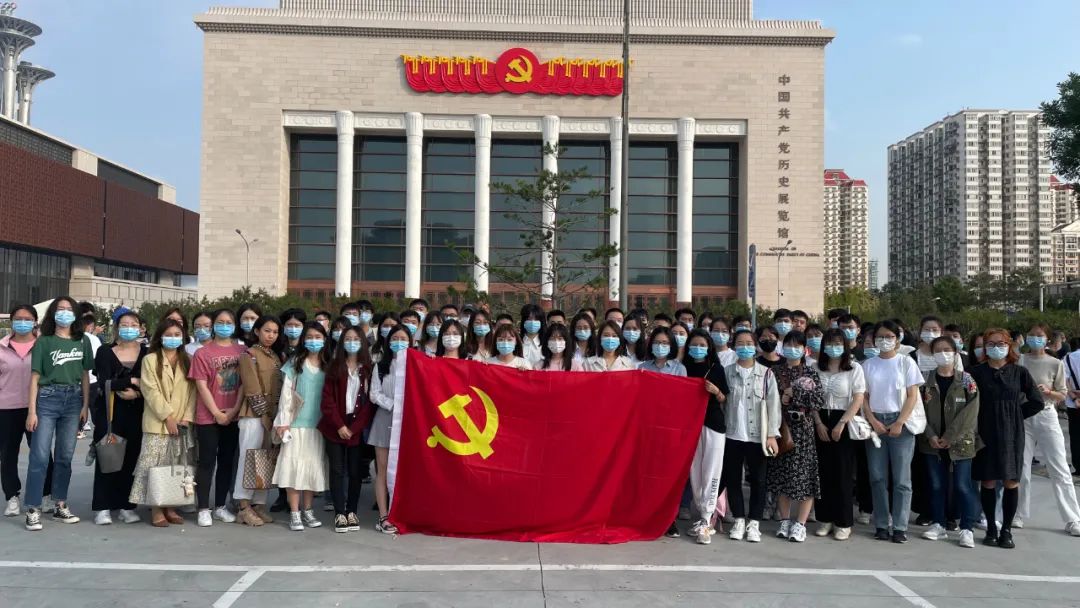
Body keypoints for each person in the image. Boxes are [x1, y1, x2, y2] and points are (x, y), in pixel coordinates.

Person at [24, 296, 95, 530]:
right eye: (60, 309)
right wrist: (32, 411)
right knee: (40, 456)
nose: (64, 313)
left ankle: (60, 504)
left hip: (73, 400)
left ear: (75, 314)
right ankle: (33, 508)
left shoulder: (82, 341)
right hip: (47, 398)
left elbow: (85, 375)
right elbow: (35, 378)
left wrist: (85, 405)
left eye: (68, 309)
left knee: (65, 456)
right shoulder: (44, 342)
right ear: (53, 313)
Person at [970, 328, 1044, 549]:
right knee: (988, 480)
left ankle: (1007, 530)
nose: (996, 348)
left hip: (1012, 433)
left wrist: (1017, 414)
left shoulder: (1019, 372)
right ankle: (991, 528)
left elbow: (1037, 401)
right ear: (985, 347)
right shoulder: (975, 372)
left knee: (1011, 480)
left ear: (1009, 345)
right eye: (991, 344)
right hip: (984, 430)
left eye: (1001, 343)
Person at [129, 319, 196, 527]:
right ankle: (157, 508)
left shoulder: (188, 360)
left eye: (177, 334)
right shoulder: (150, 360)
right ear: (160, 336)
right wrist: (168, 417)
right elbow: (150, 390)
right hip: (157, 422)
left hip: (182, 422)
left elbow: (193, 392)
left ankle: (171, 506)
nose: (173, 338)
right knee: (154, 465)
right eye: (168, 334)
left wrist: (186, 417)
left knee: (177, 464)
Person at [861, 320, 923, 543]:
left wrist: (899, 422)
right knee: (877, 477)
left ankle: (899, 526)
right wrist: (872, 420)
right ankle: (881, 524)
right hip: (875, 423)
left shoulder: (906, 363)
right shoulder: (867, 365)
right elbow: (863, 397)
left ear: (898, 339)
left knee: (902, 480)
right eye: (880, 337)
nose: (884, 341)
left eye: (889, 337)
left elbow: (913, 396)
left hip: (901, 424)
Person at [918, 336, 981, 549]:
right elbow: (918, 410)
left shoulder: (966, 380)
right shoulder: (925, 381)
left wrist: (950, 436)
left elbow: (971, 412)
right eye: (938, 350)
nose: (943, 354)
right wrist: (930, 435)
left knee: (963, 486)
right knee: (936, 485)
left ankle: (967, 528)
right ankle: (938, 523)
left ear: (955, 353)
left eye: (947, 350)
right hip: (932, 443)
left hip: (961, 442)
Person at [1017, 324, 1080, 536]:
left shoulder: (1055, 363)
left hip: (1046, 413)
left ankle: (1072, 518)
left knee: (1059, 467)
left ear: (1047, 339)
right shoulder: (1019, 360)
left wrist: (1049, 392)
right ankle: (1017, 513)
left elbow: (1063, 393)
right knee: (1021, 467)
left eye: (1039, 335)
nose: (1035, 338)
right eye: (1031, 335)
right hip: (1023, 415)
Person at [188, 308, 247, 527]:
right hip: (208, 417)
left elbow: (244, 383)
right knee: (206, 462)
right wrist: (216, 413)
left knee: (226, 462)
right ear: (213, 325)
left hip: (233, 415)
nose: (224, 326)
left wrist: (233, 411)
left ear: (234, 325)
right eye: (220, 322)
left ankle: (220, 506)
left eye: (228, 322)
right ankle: (203, 508)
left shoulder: (243, 351)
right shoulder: (202, 353)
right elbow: (201, 386)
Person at [723, 329, 781, 543]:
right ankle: (739, 519)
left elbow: (774, 405)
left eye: (749, 343)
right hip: (733, 434)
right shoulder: (727, 372)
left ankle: (754, 523)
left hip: (758, 436)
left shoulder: (766, 374)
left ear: (755, 345)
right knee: (733, 479)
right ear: (734, 345)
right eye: (740, 343)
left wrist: (772, 435)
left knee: (758, 480)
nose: (745, 347)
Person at [90, 310, 148, 525]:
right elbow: (105, 382)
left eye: (134, 324)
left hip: (138, 412)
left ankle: (126, 506)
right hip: (110, 412)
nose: (129, 328)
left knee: (131, 459)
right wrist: (131, 381)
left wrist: (137, 392)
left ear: (141, 328)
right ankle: (102, 507)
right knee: (108, 457)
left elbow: (150, 383)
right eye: (124, 324)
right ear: (116, 327)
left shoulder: (147, 353)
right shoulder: (105, 352)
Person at [768, 331, 824, 543]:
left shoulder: (810, 372)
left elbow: (818, 400)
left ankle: (800, 524)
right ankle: (784, 520)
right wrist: (782, 398)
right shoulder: (774, 371)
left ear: (804, 349)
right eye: (789, 345)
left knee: (805, 477)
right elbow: (767, 398)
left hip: (804, 430)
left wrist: (795, 393)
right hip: (781, 428)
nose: (792, 349)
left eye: (797, 345)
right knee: (782, 476)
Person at [273, 323, 330, 532]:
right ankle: (295, 513)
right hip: (295, 426)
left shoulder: (328, 364)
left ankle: (308, 510)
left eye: (318, 336)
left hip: (318, 427)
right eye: (310, 336)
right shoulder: (295, 362)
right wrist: (283, 422)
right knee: (293, 469)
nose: (314, 340)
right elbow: (286, 395)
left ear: (324, 339)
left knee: (311, 469)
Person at [0, 304, 53, 517]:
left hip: (38, 408)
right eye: (18, 319)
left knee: (42, 453)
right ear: (11, 321)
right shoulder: (2, 347)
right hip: (7, 408)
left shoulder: (44, 345)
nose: (23, 322)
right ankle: (12, 496)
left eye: (27, 319)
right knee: (8, 454)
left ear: (35, 322)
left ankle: (46, 494)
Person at [813, 328, 865, 541]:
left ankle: (843, 522)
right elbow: (811, 397)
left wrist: (842, 423)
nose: (833, 347)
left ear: (844, 346)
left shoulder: (854, 368)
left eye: (837, 343)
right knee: (822, 473)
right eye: (829, 343)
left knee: (842, 473)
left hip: (843, 421)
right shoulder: (816, 368)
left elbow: (858, 397)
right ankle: (824, 518)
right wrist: (818, 423)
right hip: (820, 421)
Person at [319, 325, 371, 533]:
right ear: (342, 342)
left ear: (362, 342)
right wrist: (340, 425)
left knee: (355, 471)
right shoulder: (334, 367)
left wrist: (354, 428)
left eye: (356, 339)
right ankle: (339, 512)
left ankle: (352, 511)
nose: (352, 342)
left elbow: (369, 404)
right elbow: (327, 400)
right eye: (348, 339)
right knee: (337, 469)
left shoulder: (368, 368)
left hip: (356, 426)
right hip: (335, 425)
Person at [234, 315, 284, 527]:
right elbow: (252, 389)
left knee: (265, 461)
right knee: (248, 460)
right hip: (253, 416)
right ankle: (243, 507)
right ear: (257, 331)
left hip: (271, 416)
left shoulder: (275, 356)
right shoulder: (249, 355)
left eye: (275, 332)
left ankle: (258, 505)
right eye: (267, 330)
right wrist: (264, 416)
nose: (271, 335)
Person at [639, 326, 687, 537]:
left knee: (668, 475)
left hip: (670, 427)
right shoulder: (642, 367)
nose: (661, 346)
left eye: (665, 343)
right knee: (646, 472)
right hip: (647, 426)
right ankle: (646, 515)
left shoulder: (679, 369)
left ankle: (669, 519)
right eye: (657, 342)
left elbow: (682, 398)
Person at [683, 329, 729, 544]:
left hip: (713, 425)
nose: (698, 348)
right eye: (694, 344)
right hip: (691, 425)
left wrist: (715, 391)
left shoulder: (716, 369)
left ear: (709, 347)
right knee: (695, 471)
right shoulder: (683, 367)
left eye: (702, 345)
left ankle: (707, 516)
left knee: (711, 469)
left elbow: (724, 397)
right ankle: (701, 515)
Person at [369, 324, 410, 534]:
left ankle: (401, 512)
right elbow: (374, 394)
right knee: (382, 470)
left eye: (403, 339)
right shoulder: (380, 366)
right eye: (395, 338)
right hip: (385, 419)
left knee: (405, 470)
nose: (399, 342)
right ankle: (384, 515)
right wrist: (393, 405)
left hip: (408, 422)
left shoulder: (416, 366)